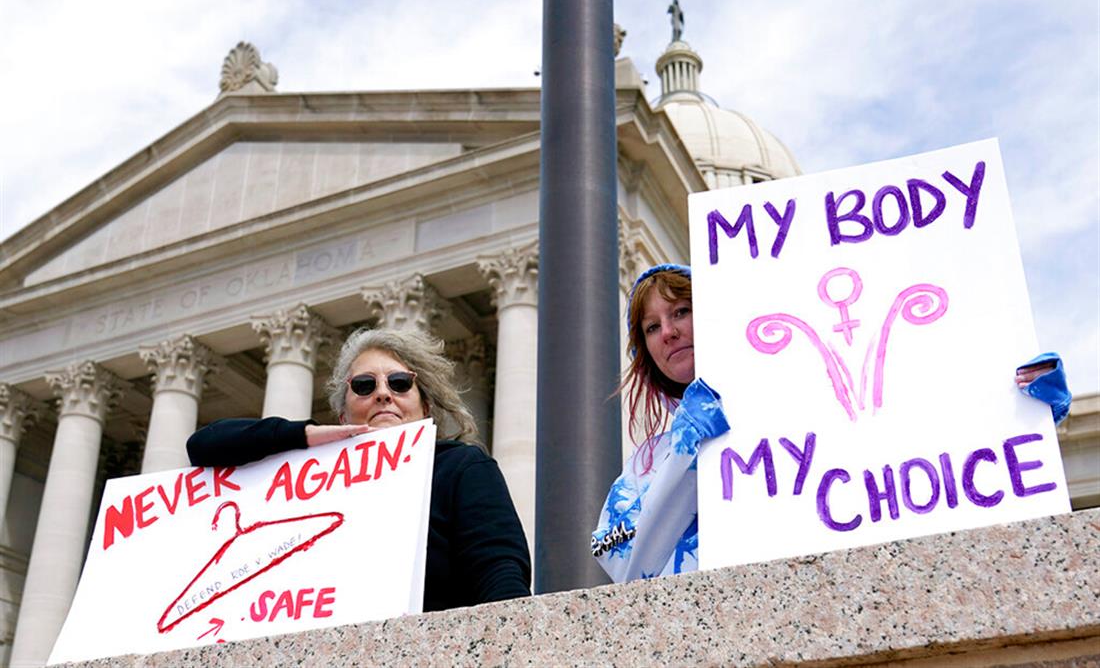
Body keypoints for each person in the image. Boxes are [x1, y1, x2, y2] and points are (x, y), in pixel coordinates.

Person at [592, 263, 1071, 584]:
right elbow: (626, 565)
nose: (669, 332)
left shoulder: (804, 394)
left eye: (681, 311)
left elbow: (915, 439)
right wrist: (686, 451)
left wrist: (1021, 403)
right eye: (652, 326)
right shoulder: (645, 463)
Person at [187, 327, 531, 611]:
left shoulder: (459, 467)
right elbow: (203, 445)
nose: (383, 394)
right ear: (343, 415)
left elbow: (499, 571)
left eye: (400, 382)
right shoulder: (316, 477)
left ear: (425, 406)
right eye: (364, 385)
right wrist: (302, 436)